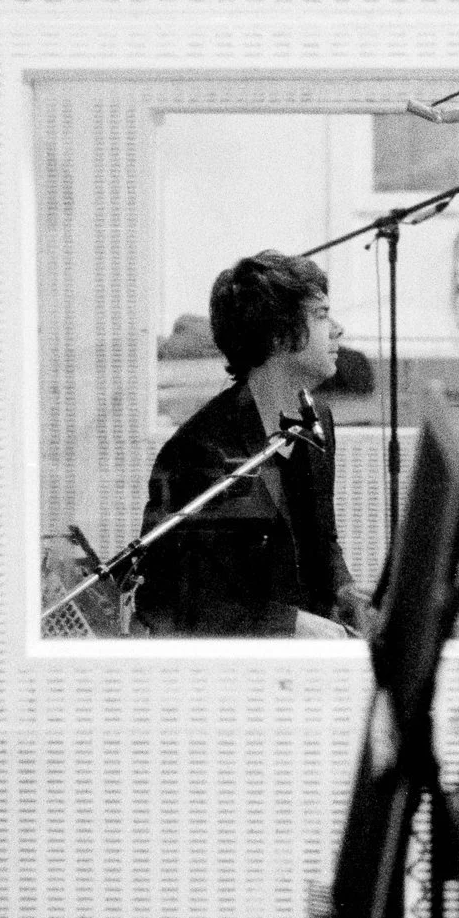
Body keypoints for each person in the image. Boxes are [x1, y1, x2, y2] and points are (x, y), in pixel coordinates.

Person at [133, 251, 371, 638]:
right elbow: (187, 601)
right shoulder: (200, 451)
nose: (338, 329)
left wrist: (344, 591)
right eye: (322, 315)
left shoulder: (317, 418)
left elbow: (322, 540)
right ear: (279, 336)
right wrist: (298, 626)